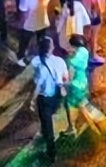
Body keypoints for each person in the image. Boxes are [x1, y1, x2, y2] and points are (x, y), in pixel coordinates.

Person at [29, 35, 69, 164]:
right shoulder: (60, 61)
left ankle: (51, 153)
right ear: (51, 48)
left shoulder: (37, 63)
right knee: (49, 117)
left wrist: (32, 100)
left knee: (47, 123)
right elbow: (66, 78)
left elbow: (38, 86)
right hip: (56, 96)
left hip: (44, 98)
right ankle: (46, 134)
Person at [16, 0, 52, 66]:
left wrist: (22, 23)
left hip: (30, 23)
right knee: (41, 40)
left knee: (24, 41)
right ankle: (41, 56)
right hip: (42, 21)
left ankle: (20, 57)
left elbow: (23, 11)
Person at [63, 34, 91, 133]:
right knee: (82, 104)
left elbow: (69, 76)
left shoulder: (73, 61)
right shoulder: (84, 51)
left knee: (69, 105)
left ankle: (72, 127)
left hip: (75, 85)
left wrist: (65, 84)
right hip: (83, 81)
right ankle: (86, 123)